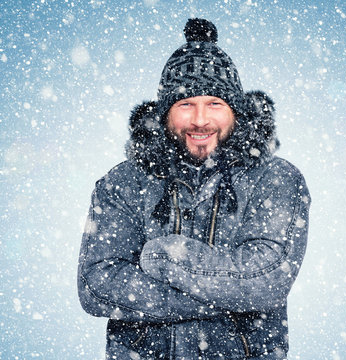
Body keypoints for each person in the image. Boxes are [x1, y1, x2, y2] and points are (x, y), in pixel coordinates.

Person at [78, 18, 311, 360]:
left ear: (235, 111)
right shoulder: (123, 183)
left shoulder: (275, 178)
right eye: (186, 104)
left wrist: (164, 255)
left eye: (214, 103)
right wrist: (227, 294)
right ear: (165, 114)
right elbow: (97, 285)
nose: (200, 120)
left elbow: (267, 279)